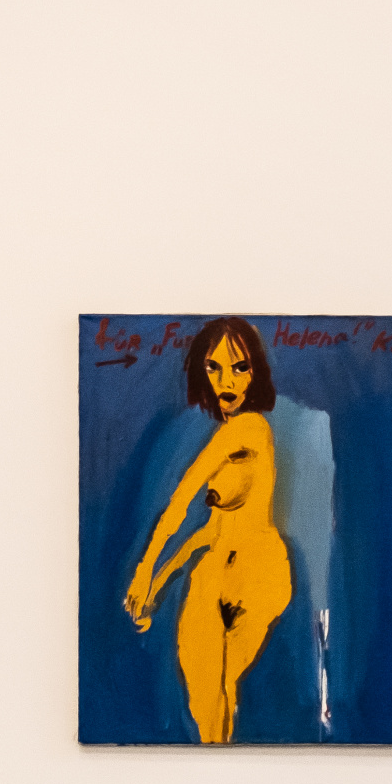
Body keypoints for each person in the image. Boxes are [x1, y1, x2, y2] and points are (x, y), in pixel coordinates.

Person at [124, 317, 293, 743]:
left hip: (260, 576)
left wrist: (144, 570)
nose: (226, 381)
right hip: (216, 570)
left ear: (255, 372)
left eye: (239, 367)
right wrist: (160, 580)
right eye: (213, 368)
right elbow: (209, 533)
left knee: (220, 695)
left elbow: (181, 499)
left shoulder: (249, 428)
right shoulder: (230, 437)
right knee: (207, 706)